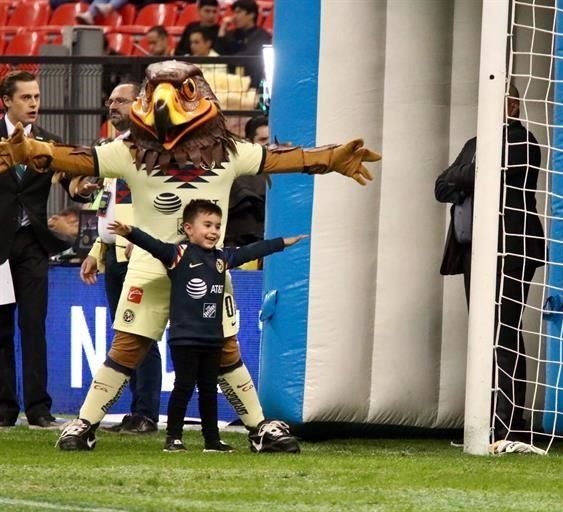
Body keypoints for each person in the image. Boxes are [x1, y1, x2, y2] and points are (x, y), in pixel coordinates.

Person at [0, 61, 379, 452]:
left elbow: (279, 158)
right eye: (155, 91)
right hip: (150, 263)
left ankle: (259, 429)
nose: (165, 102)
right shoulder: (128, 152)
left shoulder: (229, 152)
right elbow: (78, 159)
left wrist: (332, 157)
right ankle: (83, 423)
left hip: (208, 268)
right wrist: (29, 149)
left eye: (182, 91)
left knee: (225, 351)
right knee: (127, 347)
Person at [110, 200, 306, 452]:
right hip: (185, 339)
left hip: (213, 338)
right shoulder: (178, 255)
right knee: (183, 387)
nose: (214, 231)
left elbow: (252, 250)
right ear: (189, 229)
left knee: (208, 391)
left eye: (217, 226)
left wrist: (282, 243)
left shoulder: (222, 258)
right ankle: (174, 438)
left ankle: (212, 440)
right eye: (207, 225)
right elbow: (153, 245)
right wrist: (130, 232)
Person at [435, 83, 545, 450]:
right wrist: (469, 173)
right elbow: (442, 184)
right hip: (474, 248)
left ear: (512, 104)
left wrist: (466, 174)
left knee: (504, 330)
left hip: (511, 247)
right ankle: (490, 421)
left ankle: (513, 424)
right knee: (485, 332)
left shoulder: (523, 141)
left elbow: (473, 175)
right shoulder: (475, 141)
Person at [0, 71, 92, 429]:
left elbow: (72, 183)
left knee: (34, 325)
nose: (34, 104)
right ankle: (5, 408)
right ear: (6, 101)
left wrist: (83, 188)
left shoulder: (49, 143)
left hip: (32, 244)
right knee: (1, 328)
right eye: (26, 97)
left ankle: (39, 408)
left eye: (37, 97)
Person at [78, 83, 162, 435]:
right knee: (126, 332)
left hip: (139, 254)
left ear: (140, 105)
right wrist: (98, 250)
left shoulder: (148, 149)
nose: (112, 105)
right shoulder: (114, 149)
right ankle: (136, 411)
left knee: (140, 334)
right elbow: (109, 207)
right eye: (110, 100)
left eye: (121, 101)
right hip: (116, 253)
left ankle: (146, 413)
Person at [225, 113, 269, 247]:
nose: (269, 145)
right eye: (263, 139)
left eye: (272, 139)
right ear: (250, 143)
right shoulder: (238, 177)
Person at [215, 0, 271, 88]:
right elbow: (218, 55)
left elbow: (247, 56)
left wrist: (228, 60)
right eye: (234, 12)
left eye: (239, 12)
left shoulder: (261, 36)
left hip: (253, 84)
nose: (234, 16)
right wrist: (222, 30)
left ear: (251, 15)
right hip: (230, 83)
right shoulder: (231, 34)